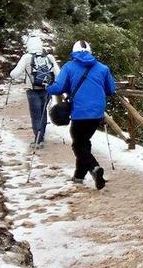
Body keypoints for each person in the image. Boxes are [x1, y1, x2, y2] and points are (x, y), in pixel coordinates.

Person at [47, 40, 116, 190]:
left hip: (80, 113)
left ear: (74, 52)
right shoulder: (103, 68)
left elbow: (58, 87)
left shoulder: (69, 67)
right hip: (97, 113)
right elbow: (111, 89)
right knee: (84, 142)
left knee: (78, 144)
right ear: (90, 52)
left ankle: (95, 168)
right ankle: (79, 176)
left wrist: (48, 87)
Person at [9, 35, 60, 149]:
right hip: (47, 90)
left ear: (29, 45)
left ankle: (38, 140)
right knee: (43, 113)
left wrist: (11, 74)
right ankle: (41, 137)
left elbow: (15, 74)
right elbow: (59, 73)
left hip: (33, 91)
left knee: (35, 115)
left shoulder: (26, 57)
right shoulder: (49, 57)